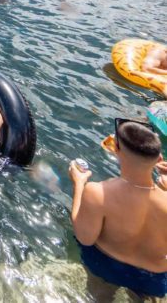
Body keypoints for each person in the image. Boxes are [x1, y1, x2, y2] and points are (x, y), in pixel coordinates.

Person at [69, 119, 167, 298]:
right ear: (159, 159)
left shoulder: (98, 192)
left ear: (116, 150)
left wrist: (79, 185)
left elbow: (84, 238)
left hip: (106, 265)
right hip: (153, 278)